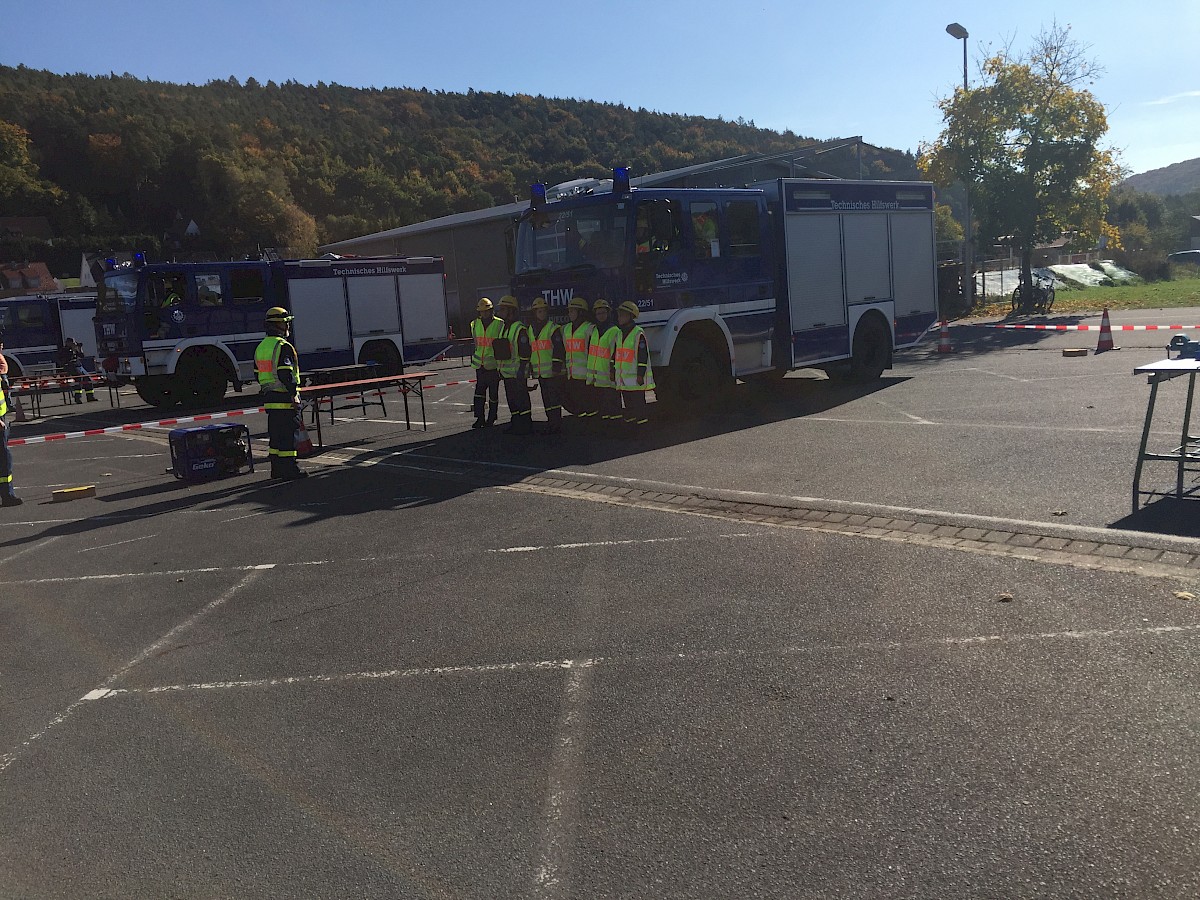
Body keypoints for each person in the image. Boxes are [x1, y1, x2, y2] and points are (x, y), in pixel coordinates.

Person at [254, 307, 307, 480]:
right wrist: (294, 394)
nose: (288, 326)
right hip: (284, 398)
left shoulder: (262, 347)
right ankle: (290, 469)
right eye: (286, 323)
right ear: (279, 325)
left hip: (270, 398)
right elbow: (286, 373)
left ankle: (276, 470)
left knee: (276, 437)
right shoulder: (283, 346)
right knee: (288, 436)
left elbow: (257, 374)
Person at [614, 301, 655, 430]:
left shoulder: (638, 333)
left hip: (635, 379)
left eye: (622, 315)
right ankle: (631, 429)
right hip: (624, 379)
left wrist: (640, 374)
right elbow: (616, 353)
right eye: (619, 314)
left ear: (630, 316)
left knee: (639, 407)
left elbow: (642, 356)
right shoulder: (620, 333)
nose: (619, 317)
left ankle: (642, 431)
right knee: (629, 407)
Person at [496, 295, 533, 436]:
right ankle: (516, 422)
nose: (500, 312)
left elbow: (525, 351)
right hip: (507, 373)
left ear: (511, 311)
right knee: (512, 400)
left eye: (503, 309)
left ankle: (526, 424)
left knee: (522, 399)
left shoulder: (519, 329)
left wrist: (522, 369)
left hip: (518, 371)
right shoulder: (504, 328)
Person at [529, 297, 566, 434]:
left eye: (544, 311)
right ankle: (550, 422)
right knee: (546, 399)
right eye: (539, 311)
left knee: (554, 399)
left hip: (551, 372)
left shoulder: (553, 328)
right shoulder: (531, 330)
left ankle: (556, 423)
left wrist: (556, 367)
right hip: (540, 372)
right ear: (535, 313)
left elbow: (558, 349)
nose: (542, 313)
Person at [585, 298, 622, 427]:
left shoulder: (615, 331)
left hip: (609, 375)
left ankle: (615, 428)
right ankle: (605, 428)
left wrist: (613, 370)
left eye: (603, 313)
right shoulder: (593, 331)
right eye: (598, 313)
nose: (601, 316)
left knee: (613, 405)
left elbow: (617, 353)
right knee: (602, 406)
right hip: (597, 378)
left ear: (608, 313)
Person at [470, 297, 505, 428]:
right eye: (482, 312)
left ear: (491, 311)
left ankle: (492, 417)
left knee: (493, 394)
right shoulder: (474, 324)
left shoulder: (499, 324)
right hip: (480, 365)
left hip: (493, 365)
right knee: (479, 394)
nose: (484, 314)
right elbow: (476, 344)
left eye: (486, 311)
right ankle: (479, 418)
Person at [562, 296, 594, 421]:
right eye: (569, 311)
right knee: (578, 406)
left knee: (589, 405)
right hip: (572, 375)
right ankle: (582, 426)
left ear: (581, 312)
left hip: (586, 375)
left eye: (572, 311)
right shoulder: (566, 329)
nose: (569, 314)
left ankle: (591, 426)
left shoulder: (589, 329)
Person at [0, 331, 20, 506]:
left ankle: (7, 494)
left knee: (4, 456)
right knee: (4, 457)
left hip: (2, 416)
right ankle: (7, 494)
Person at [55, 338, 97, 403]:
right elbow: (62, 359)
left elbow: (82, 356)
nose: (74, 344)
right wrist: (71, 350)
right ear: (68, 343)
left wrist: (79, 348)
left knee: (88, 379)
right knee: (79, 379)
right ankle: (77, 397)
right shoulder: (63, 350)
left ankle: (90, 396)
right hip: (70, 366)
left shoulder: (74, 349)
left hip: (78, 365)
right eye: (72, 343)